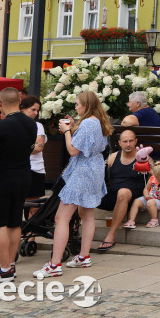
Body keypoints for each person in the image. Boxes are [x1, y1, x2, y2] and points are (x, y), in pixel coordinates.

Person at [33, 90, 111, 279]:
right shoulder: (100, 123)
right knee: (87, 213)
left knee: (62, 217)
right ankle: (84, 256)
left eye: (78, 104)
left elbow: (73, 150)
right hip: (95, 169)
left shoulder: (87, 124)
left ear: (85, 105)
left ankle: (54, 264)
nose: (76, 107)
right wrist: (74, 128)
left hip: (83, 171)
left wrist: (67, 131)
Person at [0, 87, 36, 282]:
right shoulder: (31, 124)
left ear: (0, 103)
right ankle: (10, 266)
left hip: (1, 179)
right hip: (23, 176)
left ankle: (4, 269)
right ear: (19, 101)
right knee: (14, 222)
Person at [97, 128, 147, 252]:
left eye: (131, 141)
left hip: (133, 193)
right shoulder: (114, 157)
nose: (128, 144)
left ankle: (111, 235)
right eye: (125, 141)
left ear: (136, 141)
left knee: (123, 192)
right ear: (119, 143)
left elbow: (159, 176)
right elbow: (99, 172)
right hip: (114, 192)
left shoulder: (143, 157)